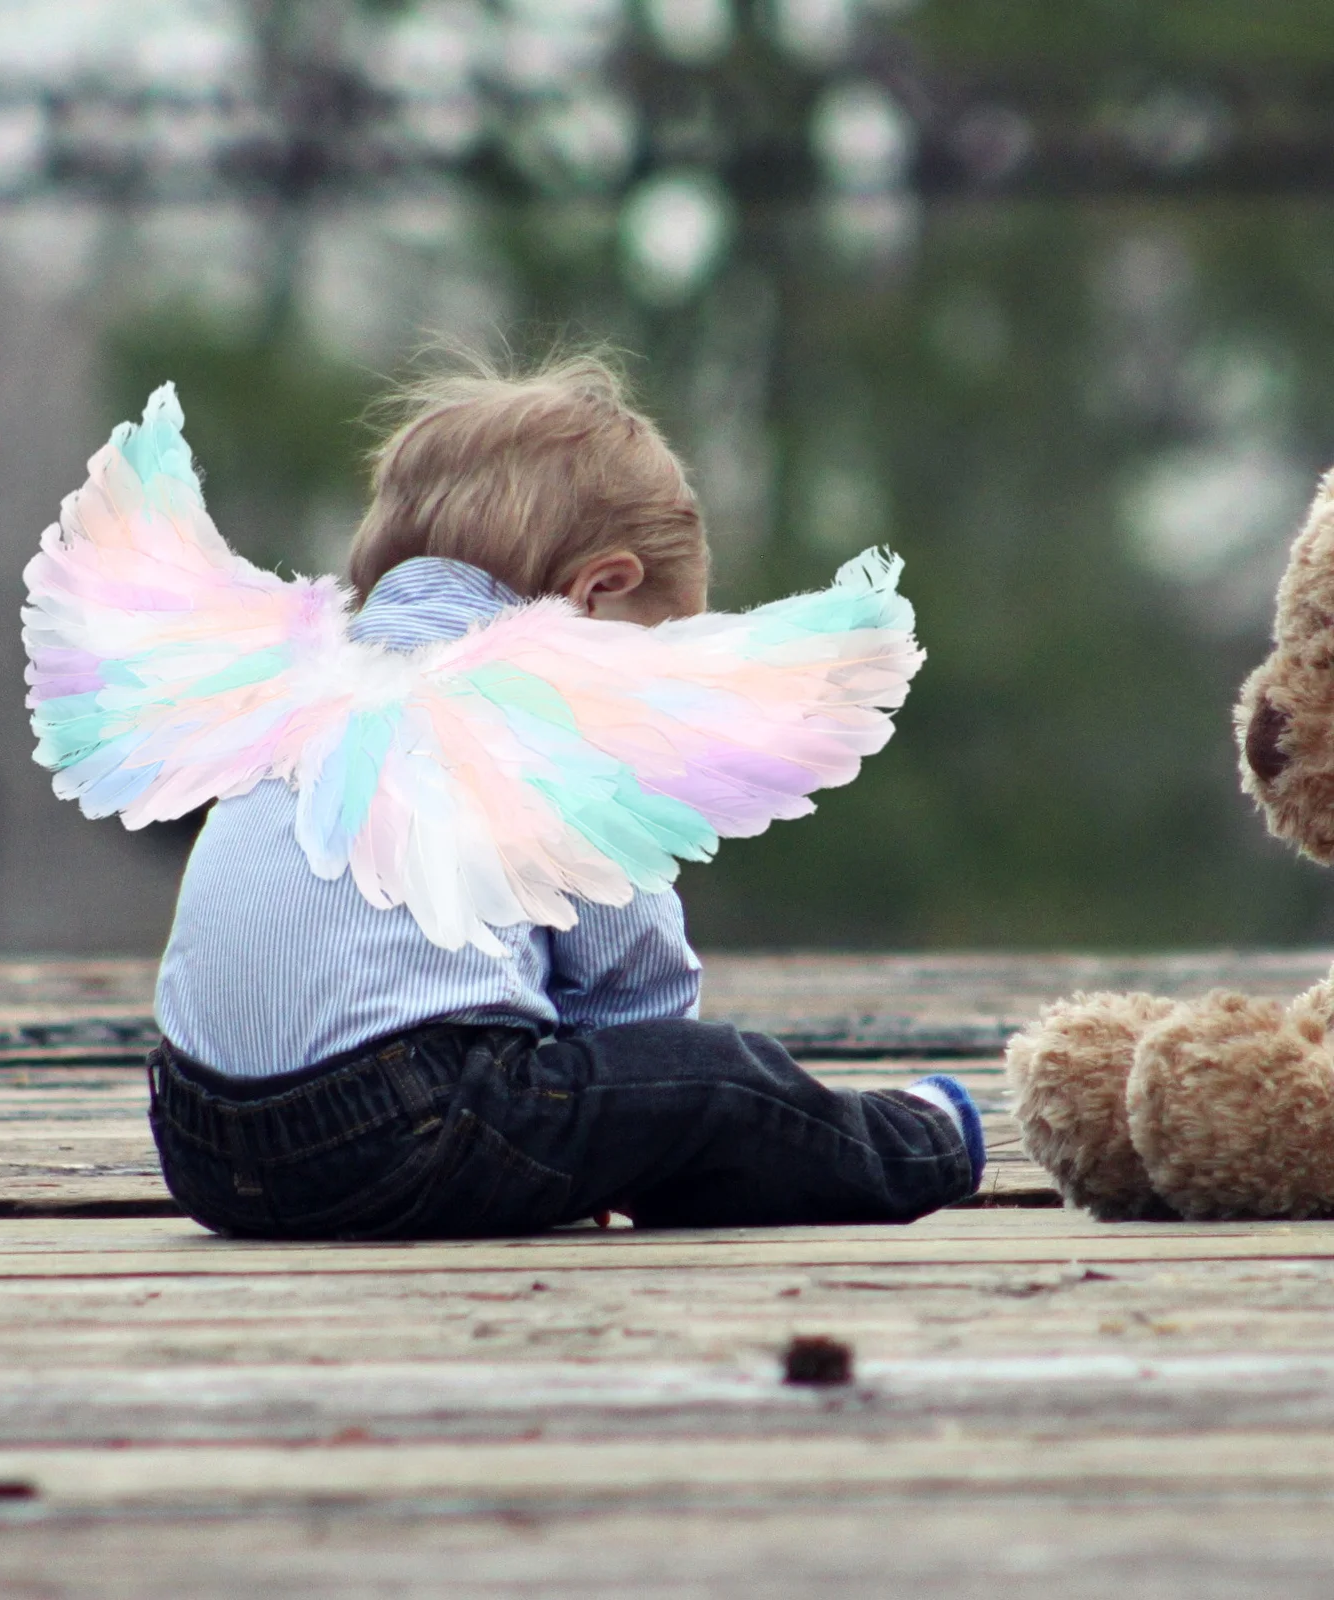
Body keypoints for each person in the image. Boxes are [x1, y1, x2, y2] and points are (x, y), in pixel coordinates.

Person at [133, 353, 985, 1237]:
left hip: (199, 1145)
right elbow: (636, 993)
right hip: (403, 1131)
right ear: (601, 591)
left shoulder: (302, 687)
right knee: (725, 1084)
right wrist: (646, 1122)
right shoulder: (551, 706)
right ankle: (923, 1140)